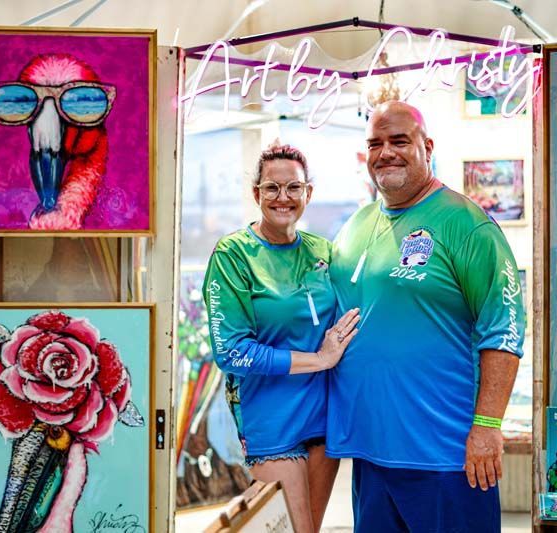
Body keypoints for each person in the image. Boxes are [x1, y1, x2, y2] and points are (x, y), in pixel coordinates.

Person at [327, 101, 525, 532]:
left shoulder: (465, 224)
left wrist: (488, 425)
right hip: (372, 453)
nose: (386, 152)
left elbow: (504, 328)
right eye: (375, 143)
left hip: (448, 456)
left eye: (399, 141)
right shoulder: (354, 226)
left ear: (427, 146)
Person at [204, 143, 360, 533]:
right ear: (257, 194)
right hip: (271, 419)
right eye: (272, 188)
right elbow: (231, 352)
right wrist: (318, 360)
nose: (283, 198)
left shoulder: (324, 252)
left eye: (294, 187)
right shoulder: (233, 255)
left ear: (308, 193)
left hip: (324, 419)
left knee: (309, 528)